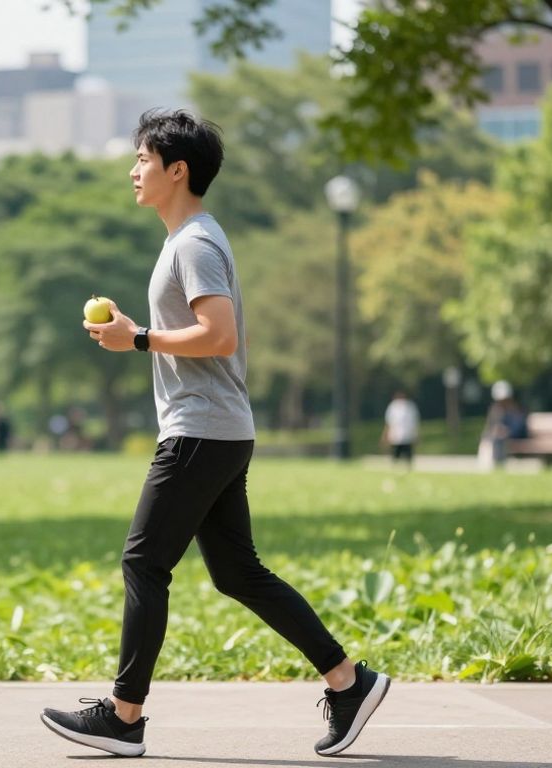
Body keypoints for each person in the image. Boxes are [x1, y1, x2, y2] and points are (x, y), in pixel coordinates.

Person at [41, 110, 388, 759]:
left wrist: (139, 339)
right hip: (218, 429)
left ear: (177, 170)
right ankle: (349, 681)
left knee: (144, 562)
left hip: (199, 430)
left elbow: (220, 335)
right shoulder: (188, 239)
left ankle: (123, 717)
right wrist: (135, 332)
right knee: (237, 573)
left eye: (143, 159)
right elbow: (202, 334)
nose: (133, 171)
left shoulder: (195, 243)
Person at [381, 390, 420, 468]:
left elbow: (414, 422)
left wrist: (416, 435)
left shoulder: (410, 407)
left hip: (407, 436)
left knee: (408, 456)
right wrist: (385, 435)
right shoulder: (393, 407)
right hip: (396, 436)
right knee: (396, 455)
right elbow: (389, 422)